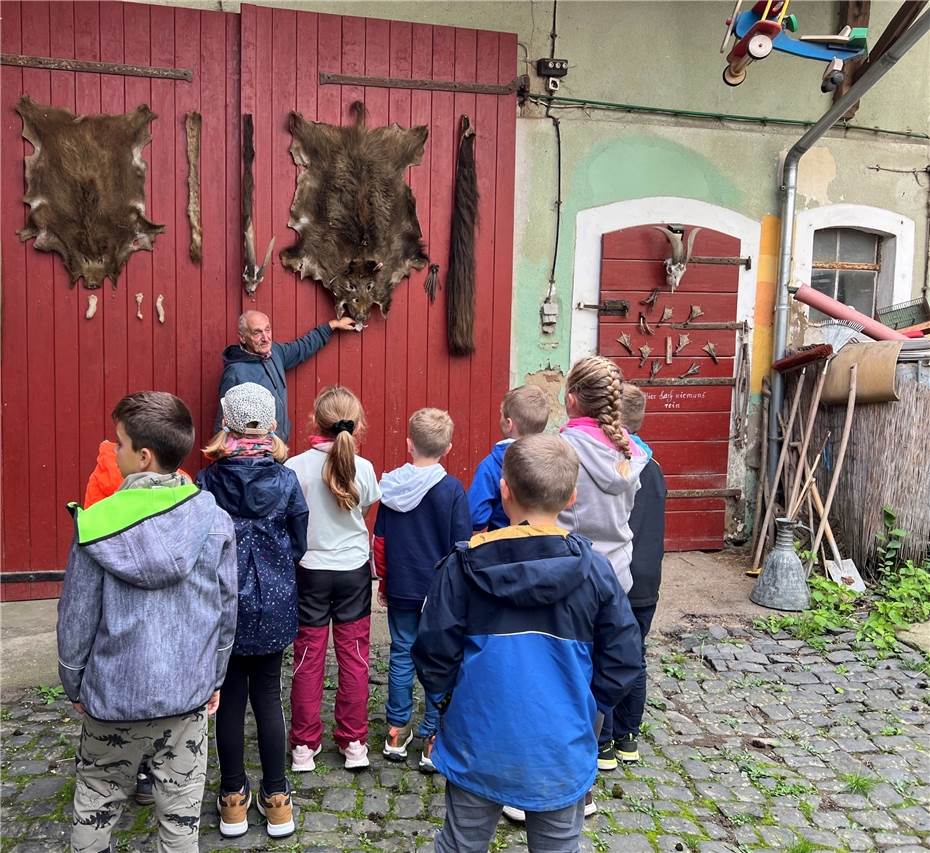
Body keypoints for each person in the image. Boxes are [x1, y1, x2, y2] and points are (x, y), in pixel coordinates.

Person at [412, 434, 643, 853]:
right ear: (572, 497)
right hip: (560, 744)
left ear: (504, 490)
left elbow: (433, 651)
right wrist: (591, 710)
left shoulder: (461, 569)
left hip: (475, 737)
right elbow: (625, 656)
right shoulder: (596, 572)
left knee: (461, 844)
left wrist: (445, 705)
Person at [57, 391, 238, 853]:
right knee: (180, 817)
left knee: (96, 800)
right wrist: (214, 678)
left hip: (113, 696)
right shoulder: (212, 519)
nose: (112, 453)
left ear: (142, 456)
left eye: (118, 444)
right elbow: (225, 610)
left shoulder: (97, 525)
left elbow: (76, 618)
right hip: (186, 695)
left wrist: (74, 683)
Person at [197, 383, 309, 839]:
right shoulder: (285, 480)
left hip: (225, 603)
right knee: (267, 696)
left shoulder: (208, 481)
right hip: (274, 601)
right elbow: (300, 542)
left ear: (227, 423)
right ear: (272, 423)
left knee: (229, 700)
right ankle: (278, 798)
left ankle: (232, 800)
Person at [556, 356, 648, 773]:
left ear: (572, 400)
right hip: (616, 575)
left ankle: (565, 765)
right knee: (597, 671)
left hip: (571, 573)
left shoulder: (564, 447)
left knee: (566, 673)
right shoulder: (628, 450)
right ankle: (588, 762)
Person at [285, 386, 381, 771]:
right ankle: (354, 742)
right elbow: (368, 504)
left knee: (307, 658)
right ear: (357, 425)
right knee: (355, 658)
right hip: (353, 572)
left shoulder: (295, 467)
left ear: (315, 421)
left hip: (310, 571)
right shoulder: (365, 468)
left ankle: (304, 746)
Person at [372, 408, 471, 772]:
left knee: (401, 652)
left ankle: (396, 730)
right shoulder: (451, 491)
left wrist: (383, 580)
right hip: (439, 593)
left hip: (401, 584)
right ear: (448, 446)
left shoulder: (391, 486)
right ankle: (432, 736)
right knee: (439, 660)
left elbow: (379, 540)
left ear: (409, 443)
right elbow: (461, 545)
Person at [607, 384, 666, 764]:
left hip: (620, 576)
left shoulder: (618, 468)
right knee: (636, 655)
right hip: (648, 579)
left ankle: (606, 739)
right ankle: (629, 736)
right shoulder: (654, 466)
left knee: (608, 655)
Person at [215, 310, 356, 444]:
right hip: (253, 455)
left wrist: (331, 326)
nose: (265, 338)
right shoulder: (235, 372)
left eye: (267, 330)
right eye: (257, 333)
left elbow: (301, 348)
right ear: (242, 337)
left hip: (278, 448)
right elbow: (223, 423)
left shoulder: (275, 353)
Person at [467, 384, 549, 532]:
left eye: (501, 414)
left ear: (509, 424)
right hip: (543, 543)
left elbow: (475, 516)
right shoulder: (549, 461)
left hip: (503, 545)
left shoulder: (491, 465)